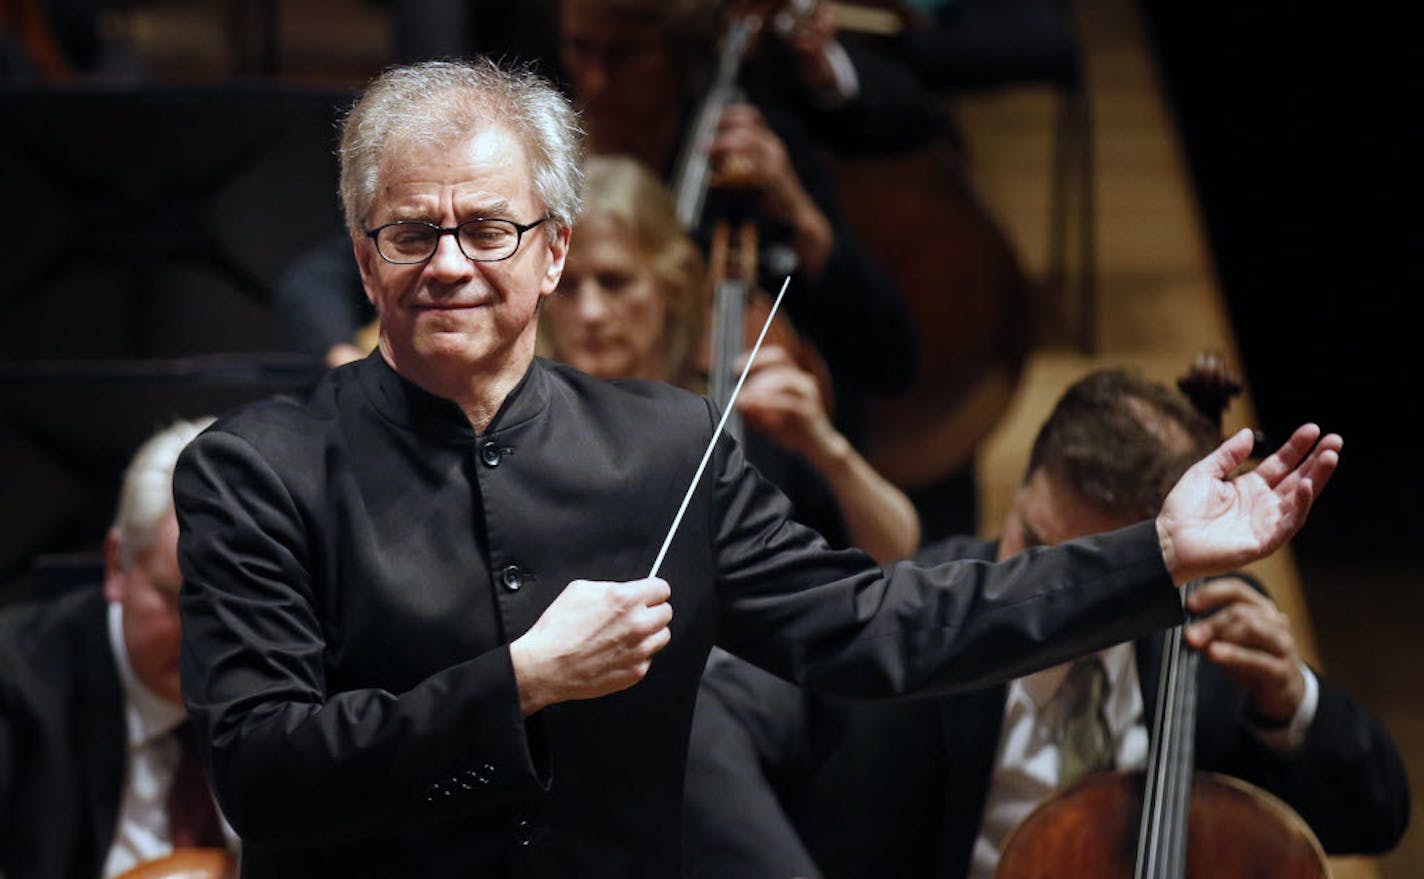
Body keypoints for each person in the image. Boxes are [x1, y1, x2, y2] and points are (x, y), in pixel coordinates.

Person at [171, 58, 1340, 878]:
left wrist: (1153, 554)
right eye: (407, 232)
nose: (447, 265)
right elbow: (264, 773)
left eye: (487, 228)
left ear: (553, 251)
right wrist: (518, 681)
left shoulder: (665, 448)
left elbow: (889, 625)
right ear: (362, 256)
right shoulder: (256, 473)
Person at [683, 366, 1408, 879]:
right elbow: (713, 726)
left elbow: (1375, 818)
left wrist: (1290, 704)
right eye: (1034, 543)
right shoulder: (913, 608)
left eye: (1113, 569)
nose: (1062, 592)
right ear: (1022, 486)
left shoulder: (1211, 630)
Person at [555, 0, 921, 449]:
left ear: (682, 57)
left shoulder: (749, 166)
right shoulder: (547, 158)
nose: (595, 78)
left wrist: (799, 215)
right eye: (579, 49)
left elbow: (890, 359)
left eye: (626, 54)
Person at [540, 153, 919, 561]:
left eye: (616, 282)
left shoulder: (742, 417)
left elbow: (897, 550)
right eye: (568, 286)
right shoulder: (522, 428)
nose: (591, 312)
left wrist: (826, 448)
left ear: (672, 284)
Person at [0, 416, 237, 879]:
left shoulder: (325, 671)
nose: (213, 639)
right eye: (181, 601)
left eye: (245, 607)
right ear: (117, 567)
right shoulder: (12, 682)